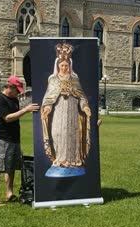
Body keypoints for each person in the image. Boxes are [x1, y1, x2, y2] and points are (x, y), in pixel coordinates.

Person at [40, 42, 91, 177]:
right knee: (58, 134)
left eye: (66, 65)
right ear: (58, 66)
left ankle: (73, 160)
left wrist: (85, 107)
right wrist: (47, 108)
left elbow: (81, 96)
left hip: (73, 112)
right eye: (62, 65)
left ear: (70, 66)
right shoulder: (53, 79)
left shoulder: (75, 79)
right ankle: (60, 159)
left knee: (73, 134)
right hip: (58, 112)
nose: (64, 67)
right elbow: (49, 97)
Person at [0, 76, 39, 206]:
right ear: (9, 87)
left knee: (11, 168)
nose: (18, 93)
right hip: (2, 139)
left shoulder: (14, 100)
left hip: (14, 139)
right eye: (16, 90)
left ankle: (9, 193)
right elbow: (7, 118)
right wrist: (25, 110)